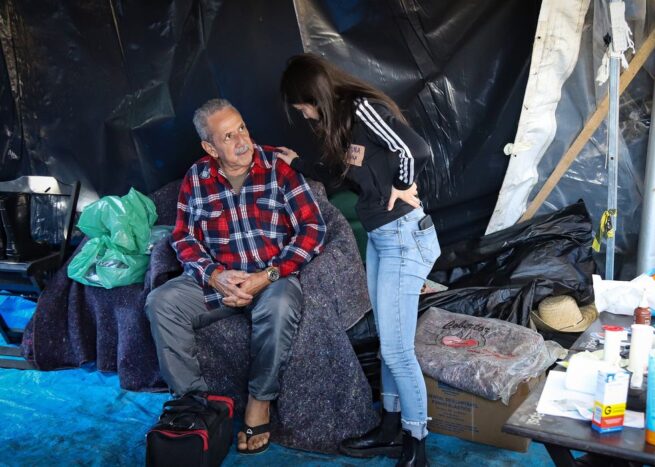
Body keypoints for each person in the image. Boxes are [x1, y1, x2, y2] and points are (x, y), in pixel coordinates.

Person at [279, 53, 440, 467]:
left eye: (303, 106)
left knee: (399, 350)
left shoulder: (362, 108)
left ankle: (416, 444)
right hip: (382, 239)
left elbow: (415, 149)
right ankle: (390, 427)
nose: (305, 114)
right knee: (389, 345)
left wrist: (403, 185)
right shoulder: (343, 126)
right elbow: (344, 176)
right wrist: (297, 164)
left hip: (405, 238)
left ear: (314, 93)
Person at [144, 98, 326, 455]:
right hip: (218, 281)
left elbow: (313, 228)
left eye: (242, 128)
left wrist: (268, 274)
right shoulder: (197, 177)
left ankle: (260, 401)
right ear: (210, 147)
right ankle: (193, 403)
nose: (242, 141)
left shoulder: (278, 167)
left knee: (282, 304)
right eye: (228, 136)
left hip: (270, 278)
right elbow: (182, 236)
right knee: (160, 302)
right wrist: (214, 276)